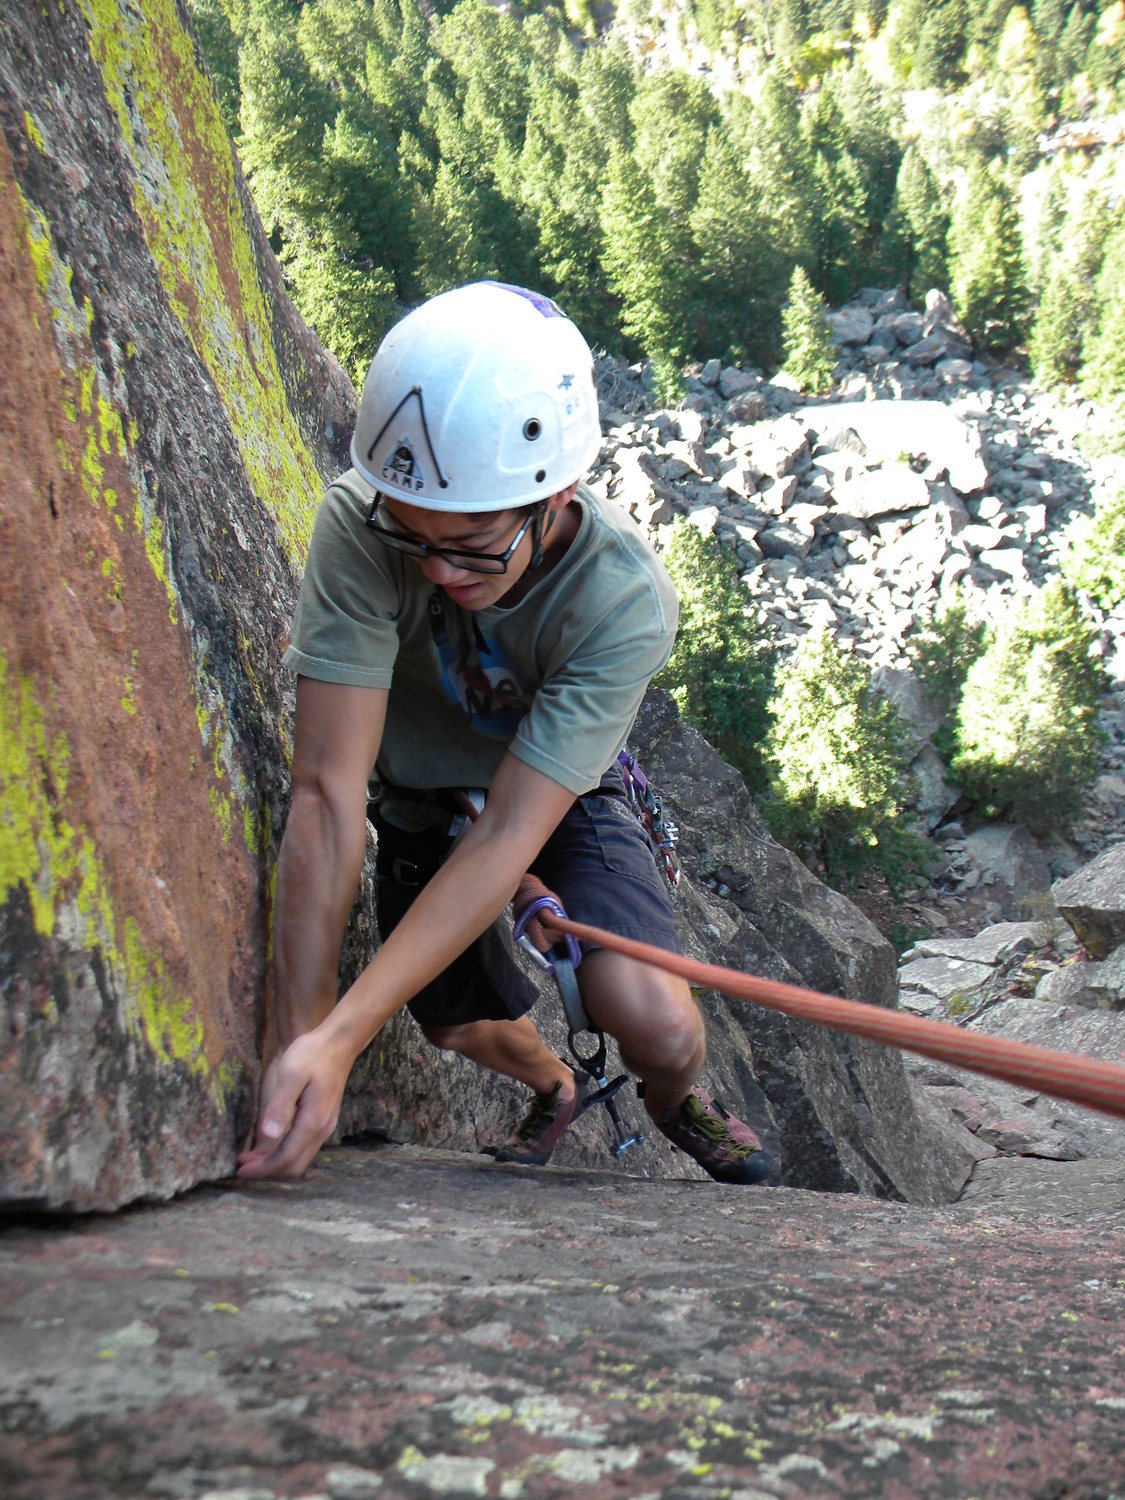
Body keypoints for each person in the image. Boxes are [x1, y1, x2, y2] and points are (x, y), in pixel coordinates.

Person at [236, 281, 772, 1186]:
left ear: (557, 493)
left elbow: (513, 830)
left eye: (474, 541)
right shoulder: (360, 529)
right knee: (449, 1019)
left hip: (554, 797)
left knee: (657, 1022)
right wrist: (306, 1048)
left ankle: (676, 1097)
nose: (439, 570)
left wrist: (338, 1042)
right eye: (414, 538)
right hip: (418, 794)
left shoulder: (620, 602)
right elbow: (327, 795)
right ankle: (555, 1083)